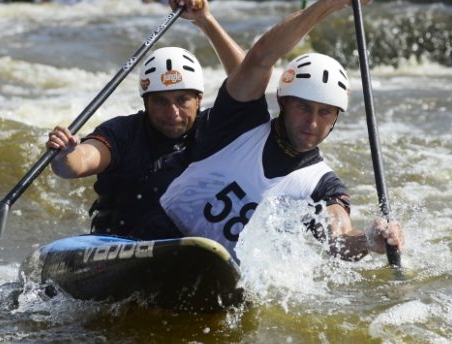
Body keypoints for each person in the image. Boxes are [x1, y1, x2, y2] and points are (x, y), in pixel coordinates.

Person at [154, 0, 404, 262]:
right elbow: (261, 57)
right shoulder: (241, 119)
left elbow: (338, 239)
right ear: (283, 102)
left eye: (325, 112)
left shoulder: (323, 185)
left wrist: (368, 240)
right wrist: (331, 3)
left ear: (336, 117)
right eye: (303, 107)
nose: (312, 123)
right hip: (159, 234)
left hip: (222, 276)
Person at [46, 0, 245, 238]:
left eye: (182, 100)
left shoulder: (214, 130)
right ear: (145, 102)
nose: (173, 113)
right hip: (117, 244)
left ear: (199, 99)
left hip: (191, 247)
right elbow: (80, 162)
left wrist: (205, 21)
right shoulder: (123, 132)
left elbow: (252, 76)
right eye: (161, 101)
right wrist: (65, 154)